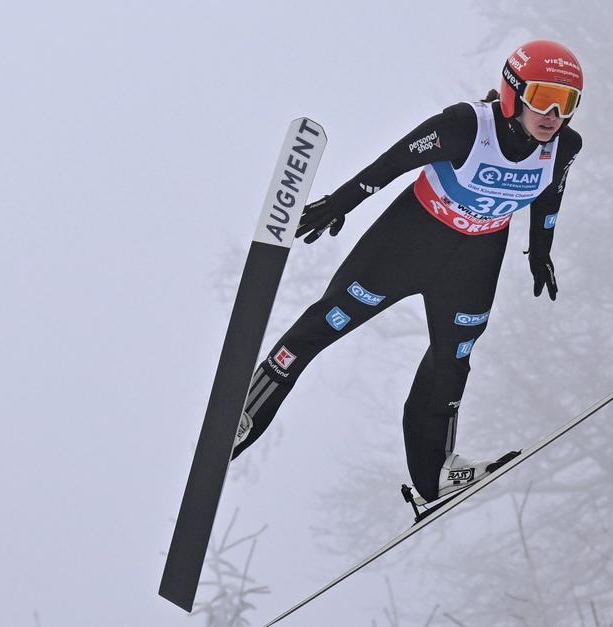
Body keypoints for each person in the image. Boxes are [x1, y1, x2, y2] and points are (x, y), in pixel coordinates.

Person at [231, 40, 584, 505]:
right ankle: (242, 418)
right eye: (542, 96)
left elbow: (549, 197)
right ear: (513, 92)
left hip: (473, 262)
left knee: (452, 363)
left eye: (567, 102)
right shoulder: (463, 126)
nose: (554, 113)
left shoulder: (564, 146)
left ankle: (435, 473)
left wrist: (540, 251)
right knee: (323, 325)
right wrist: (338, 204)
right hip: (407, 244)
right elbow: (392, 163)